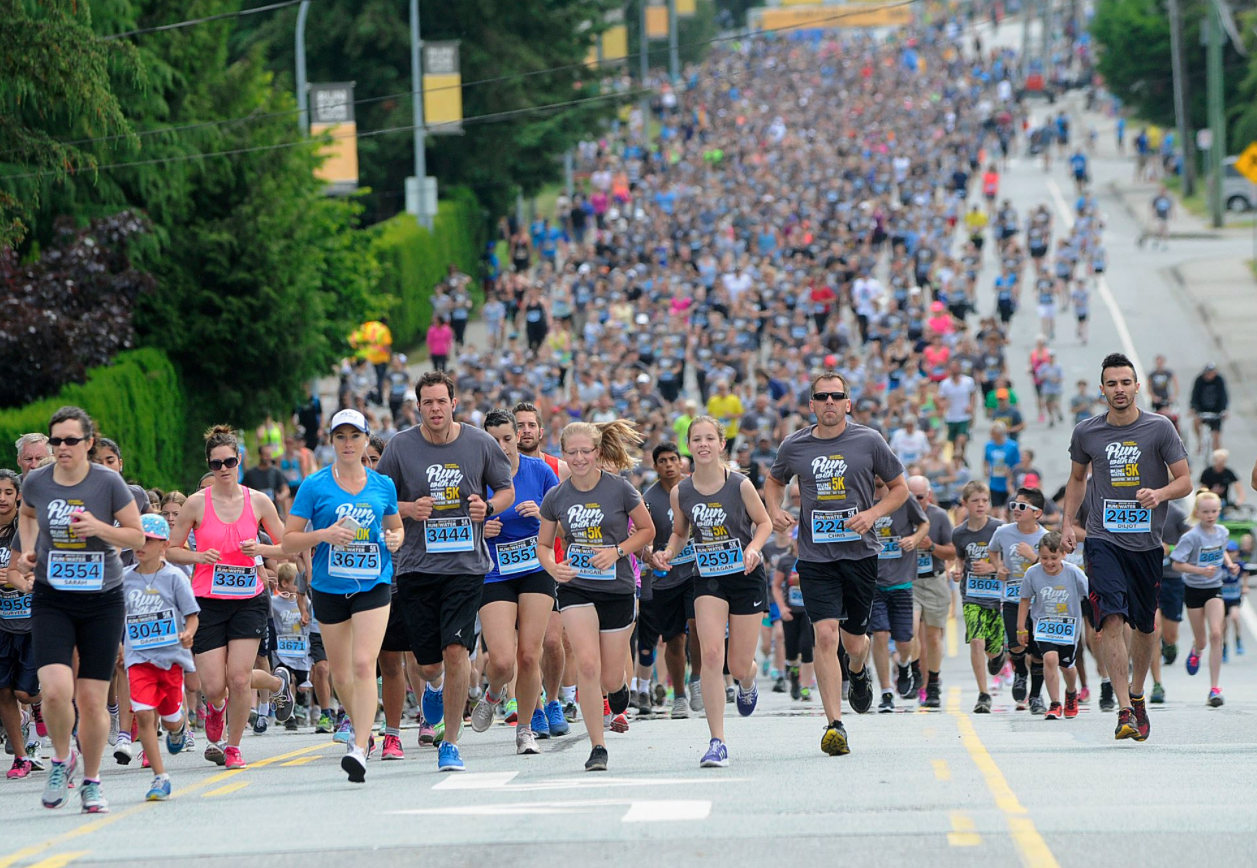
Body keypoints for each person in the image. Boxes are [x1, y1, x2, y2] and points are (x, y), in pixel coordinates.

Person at [375, 371, 515, 773]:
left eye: (441, 401)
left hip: (465, 566)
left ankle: (450, 743)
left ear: (454, 403)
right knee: (427, 663)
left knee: (457, 651)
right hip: (416, 566)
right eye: (427, 402)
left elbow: (504, 490)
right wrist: (407, 509)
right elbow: (379, 496)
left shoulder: (480, 443)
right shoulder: (401, 447)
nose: (435, 408)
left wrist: (488, 508)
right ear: (418, 406)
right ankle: (433, 687)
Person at [764, 372, 908, 756]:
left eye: (836, 396)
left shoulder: (869, 441)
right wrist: (774, 509)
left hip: (860, 554)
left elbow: (900, 489)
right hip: (815, 557)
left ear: (848, 403)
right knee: (825, 636)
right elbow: (774, 481)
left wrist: (873, 513)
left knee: (854, 643)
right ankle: (834, 725)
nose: (829, 402)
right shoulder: (794, 445)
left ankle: (858, 674)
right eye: (821, 396)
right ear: (810, 404)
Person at [12, 406, 145, 813]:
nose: (63, 448)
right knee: (53, 691)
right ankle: (59, 758)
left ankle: (91, 780)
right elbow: (27, 514)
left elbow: (136, 534)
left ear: (89, 442)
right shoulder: (37, 482)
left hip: (102, 600)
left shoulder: (108, 483)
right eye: (56, 441)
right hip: (53, 597)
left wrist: (98, 529)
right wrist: (30, 550)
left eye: (71, 440)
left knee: (90, 700)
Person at [1063, 352, 1191, 741]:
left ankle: (1137, 695)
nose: (1119, 390)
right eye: (1111, 384)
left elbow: (1185, 480)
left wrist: (1160, 493)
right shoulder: (1087, 432)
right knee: (1110, 619)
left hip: (1146, 544)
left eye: (1125, 382)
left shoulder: (1159, 429)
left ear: (1137, 386)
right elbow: (1077, 479)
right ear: (1101, 390)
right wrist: (1068, 523)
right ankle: (1122, 709)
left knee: (1144, 624)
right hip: (1103, 539)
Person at [283, 409, 403, 782]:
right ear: (331, 442)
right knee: (340, 673)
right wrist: (324, 536)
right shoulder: (315, 485)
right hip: (329, 587)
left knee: (366, 664)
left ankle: (360, 745)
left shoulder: (383, 485)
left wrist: (395, 539)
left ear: (366, 439)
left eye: (355, 436)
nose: (348, 444)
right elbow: (289, 540)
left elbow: (395, 528)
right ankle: (363, 723)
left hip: (373, 583)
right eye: (341, 437)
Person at [167, 425, 295, 771]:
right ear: (209, 465)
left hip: (248, 599)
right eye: (216, 463)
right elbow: (171, 550)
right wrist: (198, 557)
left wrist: (262, 548)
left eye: (229, 461)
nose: (223, 469)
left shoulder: (258, 500)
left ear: (240, 460)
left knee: (239, 678)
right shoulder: (196, 504)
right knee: (213, 685)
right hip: (207, 600)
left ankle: (234, 746)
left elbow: (287, 545)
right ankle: (217, 707)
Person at [537, 421, 654, 772]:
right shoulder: (557, 495)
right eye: (571, 452)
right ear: (563, 454)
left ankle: (618, 690)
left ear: (598, 453)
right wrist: (553, 567)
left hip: (616, 587)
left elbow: (648, 530)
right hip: (576, 586)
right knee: (587, 664)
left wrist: (617, 551)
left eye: (585, 451)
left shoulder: (619, 488)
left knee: (609, 676)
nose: (578, 458)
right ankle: (597, 746)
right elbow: (543, 545)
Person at [657, 416, 772, 768]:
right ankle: (717, 741)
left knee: (737, 664)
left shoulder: (739, 485)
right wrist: (668, 552)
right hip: (707, 577)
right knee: (709, 655)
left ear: (722, 444)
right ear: (688, 446)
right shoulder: (682, 491)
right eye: (696, 439)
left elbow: (764, 522)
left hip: (745, 573)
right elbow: (680, 532)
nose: (703, 444)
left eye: (710, 438)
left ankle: (748, 680)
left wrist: (753, 548)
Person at [472, 409, 560, 757]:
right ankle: (493, 693)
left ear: (517, 438)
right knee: (504, 660)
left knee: (528, 655)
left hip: (535, 568)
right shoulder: (476, 478)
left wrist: (541, 514)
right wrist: (481, 528)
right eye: (494, 440)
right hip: (494, 573)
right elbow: (456, 525)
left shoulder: (539, 471)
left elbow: (564, 522)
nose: (502, 446)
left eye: (507, 438)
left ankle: (525, 729)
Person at [121, 515, 199, 801]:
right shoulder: (125, 578)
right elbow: (118, 617)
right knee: (143, 714)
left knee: (169, 720)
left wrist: (188, 633)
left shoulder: (175, 577)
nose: (142, 545)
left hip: (169, 659)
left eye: (150, 540)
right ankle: (160, 777)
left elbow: (192, 616)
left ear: (164, 544)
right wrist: (118, 646)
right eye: (139, 539)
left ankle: (177, 729)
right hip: (138, 657)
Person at [641, 443, 700, 719]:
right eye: (662, 460)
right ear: (655, 466)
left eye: (673, 459)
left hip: (696, 570)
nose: (668, 464)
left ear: (681, 463)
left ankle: (697, 680)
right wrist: (650, 555)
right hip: (665, 577)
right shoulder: (647, 498)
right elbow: (642, 537)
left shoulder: (695, 488)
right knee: (673, 639)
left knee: (697, 625)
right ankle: (679, 696)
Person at [1170, 491, 1239, 707]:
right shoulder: (1191, 537)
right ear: (1197, 513)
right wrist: (1199, 570)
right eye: (1206, 512)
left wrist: (1228, 564)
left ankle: (1214, 688)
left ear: (1219, 512)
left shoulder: (1222, 532)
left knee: (1217, 633)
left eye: (1214, 511)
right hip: (1193, 588)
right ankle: (1196, 649)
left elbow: (1221, 550)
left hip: (1214, 588)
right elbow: (1176, 564)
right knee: (1202, 640)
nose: (1210, 515)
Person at [868, 476, 929, 713]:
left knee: (905, 641)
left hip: (901, 581)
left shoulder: (903, 496)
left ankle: (904, 665)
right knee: (880, 635)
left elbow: (923, 524)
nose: (877, 476)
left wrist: (914, 539)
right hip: (873, 582)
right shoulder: (861, 497)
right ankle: (885, 692)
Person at [1016, 532, 1088, 720]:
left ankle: (1071, 692)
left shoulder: (1073, 573)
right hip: (1044, 626)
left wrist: (1098, 624)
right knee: (1049, 658)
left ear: (1064, 555)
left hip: (1068, 627)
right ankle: (1055, 703)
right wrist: (1021, 628)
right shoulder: (1032, 573)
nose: (1049, 563)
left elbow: (1091, 595)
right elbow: (1024, 600)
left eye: (1054, 558)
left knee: (1067, 667)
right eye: (1044, 558)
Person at [0, 469, 42, 779]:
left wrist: (24, 578)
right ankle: (20, 756)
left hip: (30, 623)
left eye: (7, 492)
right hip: (1, 626)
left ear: (18, 496)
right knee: (2, 692)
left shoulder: (28, 529)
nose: (1, 499)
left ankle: (39, 705)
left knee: (25, 694)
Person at [990, 487, 1047, 713]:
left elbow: (1052, 566)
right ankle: (1020, 673)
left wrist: (1033, 557)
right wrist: (998, 567)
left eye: (1022, 506)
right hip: (1012, 597)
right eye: (1014, 505)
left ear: (1037, 513)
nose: (1016, 510)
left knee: (1038, 651)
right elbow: (992, 550)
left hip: (1039, 603)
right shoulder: (1003, 532)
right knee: (1015, 642)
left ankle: (1036, 696)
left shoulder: (1044, 537)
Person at [950, 481, 1005, 713]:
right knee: (976, 640)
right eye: (975, 501)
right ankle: (983, 694)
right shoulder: (959, 533)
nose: (981, 505)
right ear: (965, 504)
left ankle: (998, 655)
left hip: (995, 595)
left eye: (984, 501)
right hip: (971, 595)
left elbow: (1009, 563)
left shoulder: (999, 529)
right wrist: (957, 569)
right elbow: (960, 557)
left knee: (991, 648)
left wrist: (993, 569)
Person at [907, 476, 954, 708]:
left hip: (934, 580)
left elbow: (953, 552)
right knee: (911, 630)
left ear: (930, 496)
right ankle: (915, 671)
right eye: (910, 497)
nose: (915, 502)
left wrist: (931, 547)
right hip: (910, 581)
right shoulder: (899, 515)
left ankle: (933, 682)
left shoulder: (939, 516)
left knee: (934, 637)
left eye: (920, 497)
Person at [937, 360, 978, 460]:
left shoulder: (968, 381)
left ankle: (961, 455)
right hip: (951, 416)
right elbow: (941, 399)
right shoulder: (945, 384)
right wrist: (944, 404)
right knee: (954, 441)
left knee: (962, 438)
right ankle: (959, 459)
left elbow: (973, 394)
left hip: (963, 415)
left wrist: (971, 406)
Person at [1189, 363, 1228, 453]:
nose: (1210, 376)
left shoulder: (1219, 380)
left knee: (1216, 437)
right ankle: (1200, 442)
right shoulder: (1199, 380)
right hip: (1202, 411)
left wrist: (1224, 410)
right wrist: (1193, 408)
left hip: (1216, 412)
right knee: (1196, 422)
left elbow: (1223, 396)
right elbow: (1195, 395)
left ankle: (1218, 456)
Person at [983, 422, 1020, 515]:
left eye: (993, 433)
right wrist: (986, 469)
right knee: (995, 511)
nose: (991, 435)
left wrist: (1011, 472)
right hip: (994, 482)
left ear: (999, 434)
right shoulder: (988, 446)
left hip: (1008, 482)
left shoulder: (1012, 446)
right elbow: (986, 460)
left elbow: (1018, 464)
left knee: (1009, 510)